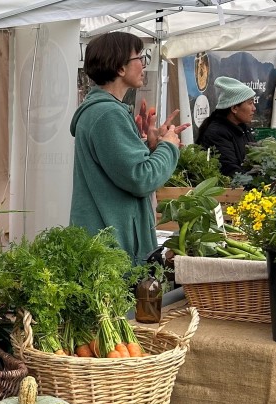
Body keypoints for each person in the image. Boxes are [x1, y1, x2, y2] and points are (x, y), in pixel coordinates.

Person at [70, 32, 188, 264]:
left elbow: (120, 169)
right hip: (113, 250)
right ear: (120, 68)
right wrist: (169, 147)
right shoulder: (107, 114)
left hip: (109, 246)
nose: (144, 66)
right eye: (139, 59)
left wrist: (151, 148)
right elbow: (140, 179)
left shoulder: (104, 111)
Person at [194, 77, 257, 177]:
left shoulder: (244, 128)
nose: (254, 108)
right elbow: (230, 171)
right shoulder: (216, 133)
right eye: (250, 103)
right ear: (234, 108)